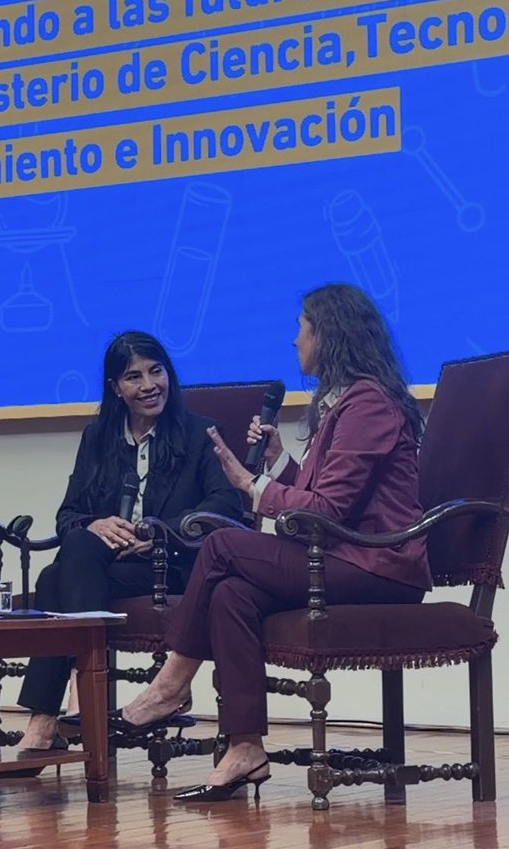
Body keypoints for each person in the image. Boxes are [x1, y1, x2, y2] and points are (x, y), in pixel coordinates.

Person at [117, 283, 431, 803]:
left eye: (302, 328)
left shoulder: (368, 403)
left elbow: (328, 512)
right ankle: (246, 748)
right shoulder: (343, 404)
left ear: (327, 334)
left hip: (379, 564)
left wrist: (250, 486)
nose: (294, 340)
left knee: (220, 547)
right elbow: (317, 495)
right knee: (230, 594)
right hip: (342, 555)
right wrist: (278, 463)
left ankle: (170, 686)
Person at [12, 330, 243, 766]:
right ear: (115, 388)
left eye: (156, 372)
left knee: (53, 577)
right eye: (134, 377)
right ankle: (69, 711)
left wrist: (155, 532)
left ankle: (47, 719)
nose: (149, 385)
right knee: (77, 546)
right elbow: (68, 515)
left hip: (171, 564)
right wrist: (96, 524)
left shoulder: (199, 434)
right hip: (104, 569)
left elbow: (224, 505)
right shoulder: (97, 436)